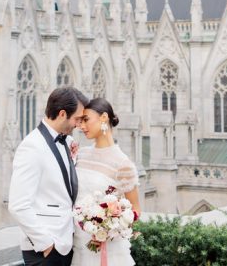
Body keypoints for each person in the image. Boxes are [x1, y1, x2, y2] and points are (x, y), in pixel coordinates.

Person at [8, 87, 89, 266]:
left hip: (66, 243)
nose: (78, 124)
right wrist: (45, 243)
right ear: (62, 114)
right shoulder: (31, 147)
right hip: (44, 250)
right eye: (76, 118)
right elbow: (18, 205)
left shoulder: (66, 142)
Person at [71, 98, 140, 266]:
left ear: (103, 118)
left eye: (86, 120)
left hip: (107, 247)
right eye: (80, 121)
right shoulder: (80, 154)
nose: (82, 126)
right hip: (77, 243)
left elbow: (135, 211)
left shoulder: (123, 164)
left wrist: (110, 226)